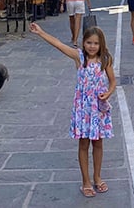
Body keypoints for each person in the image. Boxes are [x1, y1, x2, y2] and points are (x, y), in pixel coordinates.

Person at [28, 23, 115, 198]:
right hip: (83, 109)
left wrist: (108, 93)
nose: (92, 46)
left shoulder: (105, 59)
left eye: (96, 43)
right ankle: (86, 181)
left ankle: (97, 177)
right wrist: (41, 32)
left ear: (101, 45)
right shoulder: (79, 57)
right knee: (83, 144)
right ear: (83, 43)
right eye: (89, 42)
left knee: (98, 143)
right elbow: (58, 44)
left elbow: (113, 81)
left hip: (98, 109)